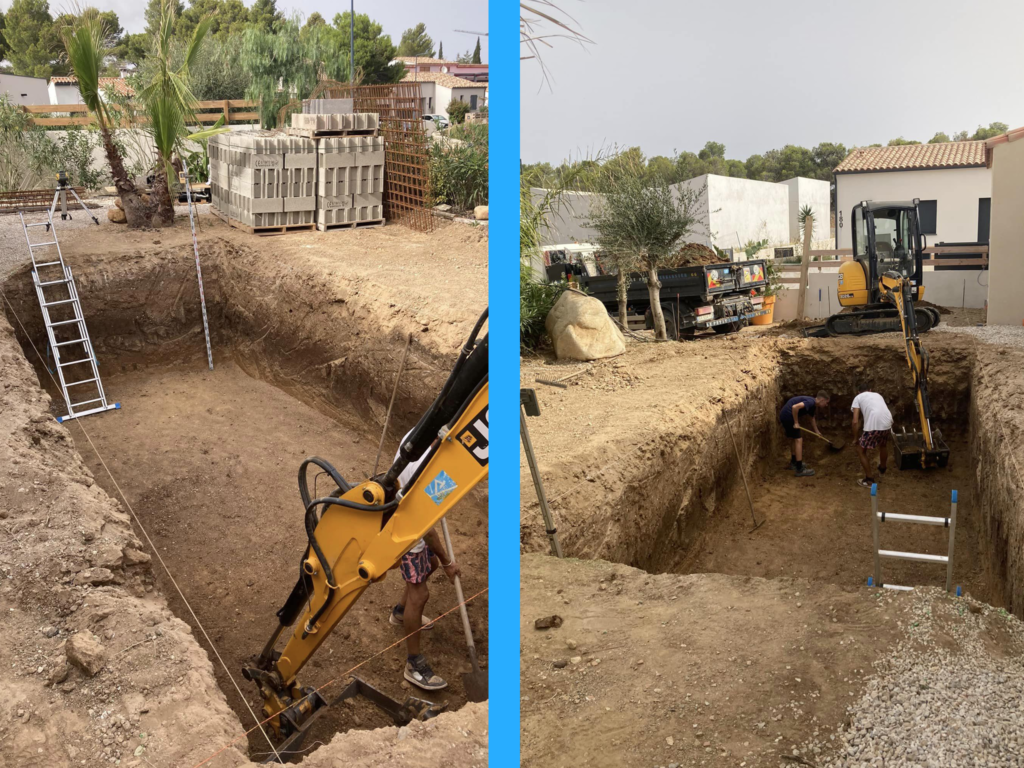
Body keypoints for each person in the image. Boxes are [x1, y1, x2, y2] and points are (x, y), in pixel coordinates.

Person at [387, 434, 461, 691]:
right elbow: (427, 528)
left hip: (406, 521)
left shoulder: (415, 435)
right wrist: (448, 560)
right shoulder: (433, 471)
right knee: (420, 595)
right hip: (409, 536)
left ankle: (399, 613)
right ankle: (413, 664)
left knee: (429, 566)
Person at [851, 386, 894, 489]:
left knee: (860, 450)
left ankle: (869, 480)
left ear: (858, 392)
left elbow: (855, 421)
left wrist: (856, 438)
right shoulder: (877, 395)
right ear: (870, 390)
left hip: (873, 425)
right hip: (887, 422)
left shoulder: (858, 397)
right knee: (883, 445)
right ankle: (882, 468)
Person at [779, 392, 830, 477]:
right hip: (788, 416)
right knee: (799, 439)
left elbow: (811, 418)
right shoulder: (811, 402)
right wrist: (796, 422)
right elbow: (795, 407)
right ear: (822, 400)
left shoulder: (813, 405)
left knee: (794, 438)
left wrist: (817, 431)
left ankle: (794, 462)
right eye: (826, 403)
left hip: (785, 415)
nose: (826, 405)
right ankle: (799, 469)